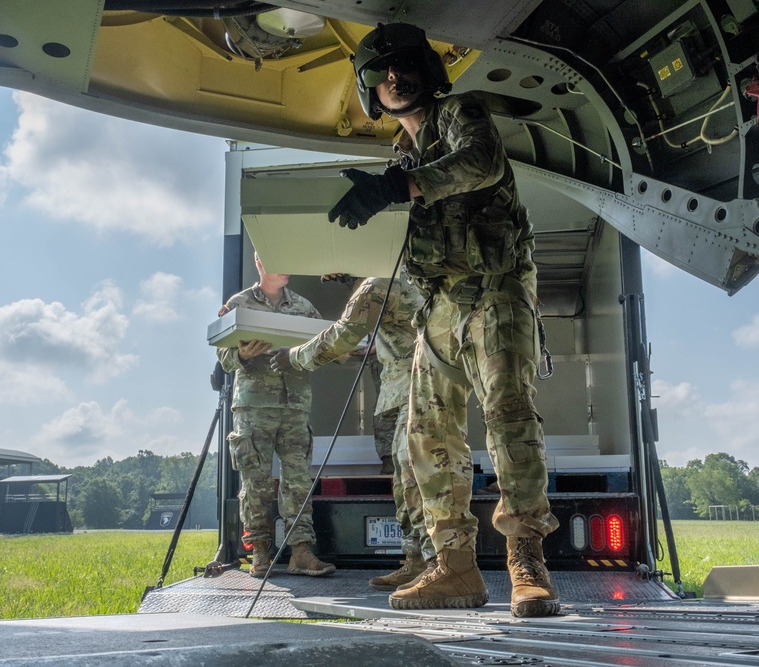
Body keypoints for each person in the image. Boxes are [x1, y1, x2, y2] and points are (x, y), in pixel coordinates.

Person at [326, 22, 560, 617]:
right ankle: (454, 568)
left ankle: (526, 563)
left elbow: (480, 162)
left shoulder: (460, 113)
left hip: (497, 289)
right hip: (441, 302)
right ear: (368, 91)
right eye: (381, 74)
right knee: (425, 436)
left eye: (404, 66)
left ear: (427, 72)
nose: (394, 78)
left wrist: (399, 186)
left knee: (509, 417)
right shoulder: (399, 156)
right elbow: (405, 232)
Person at [270, 271, 435, 591]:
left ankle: (433, 565)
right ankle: (416, 561)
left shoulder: (381, 283)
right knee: (406, 481)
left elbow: (344, 333)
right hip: (404, 391)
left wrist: (294, 357)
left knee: (418, 480)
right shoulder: (398, 281)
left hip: (421, 390)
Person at [216, 253, 335, 579]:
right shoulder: (239, 304)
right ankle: (260, 552)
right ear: (259, 263)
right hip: (254, 408)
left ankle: (301, 552)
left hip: (295, 407)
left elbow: (322, 345)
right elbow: (224, 357)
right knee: (256, 484)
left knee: (298, 482)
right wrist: (240, 353)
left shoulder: (303, 306)